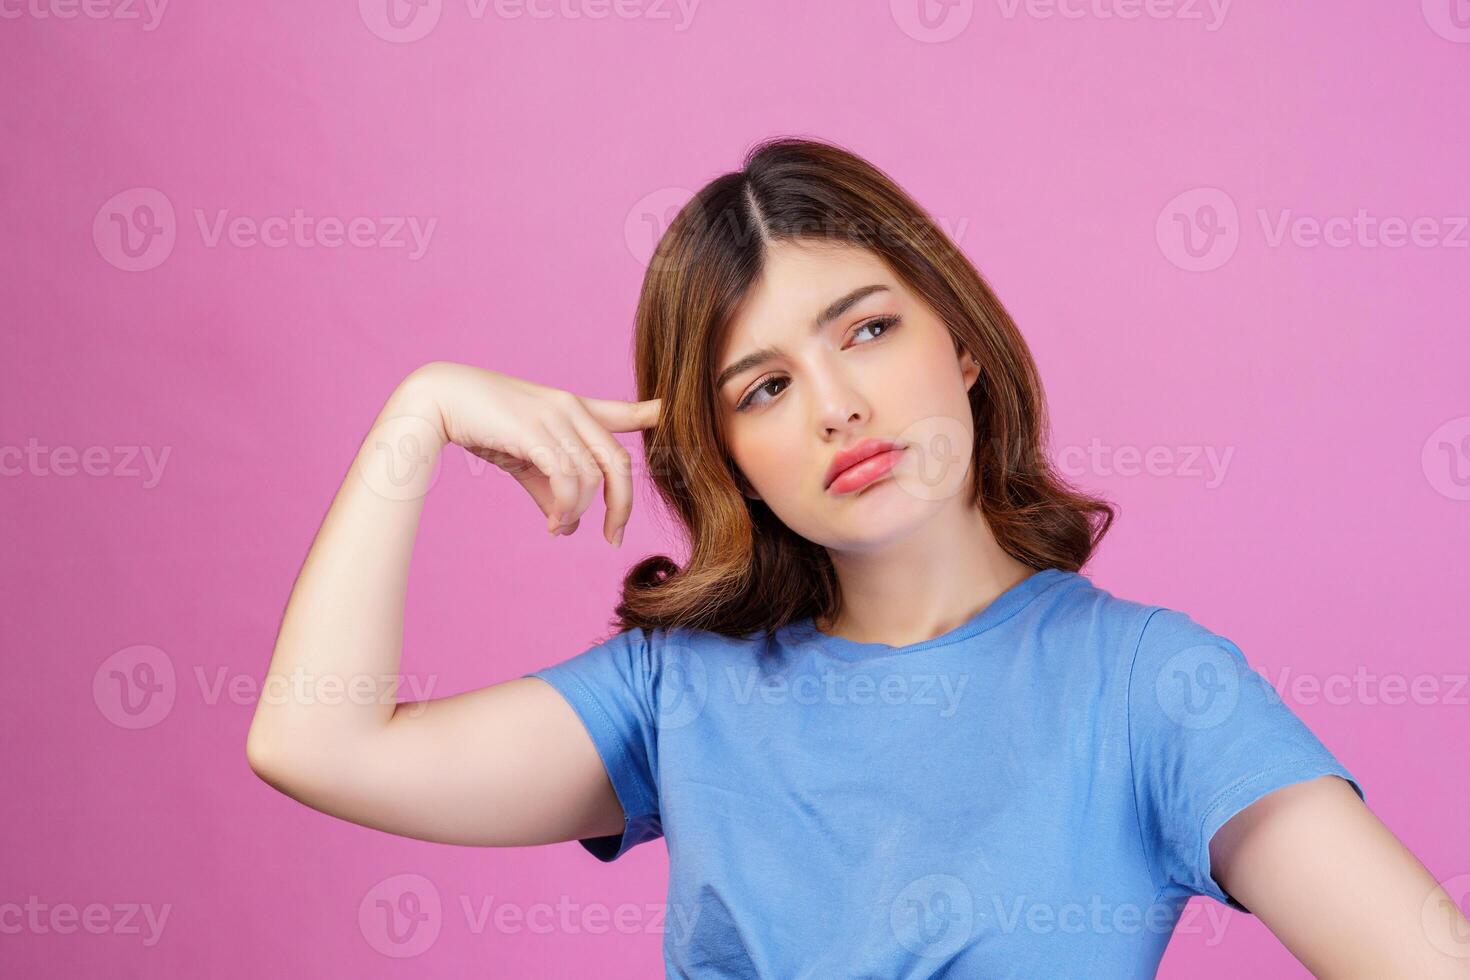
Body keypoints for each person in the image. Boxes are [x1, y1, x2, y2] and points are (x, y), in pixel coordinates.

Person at [246, 137, 1470, 977]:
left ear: (965, 344)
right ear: (725, 449)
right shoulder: (682, 690)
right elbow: (315, 743)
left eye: (869, 329)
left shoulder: (1152, 686)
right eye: (765, 385)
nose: (835, 405)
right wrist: (419, 416)